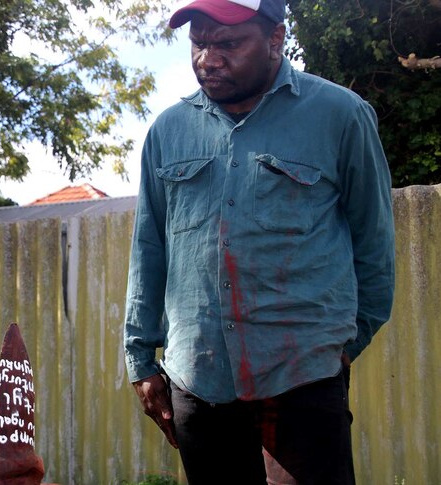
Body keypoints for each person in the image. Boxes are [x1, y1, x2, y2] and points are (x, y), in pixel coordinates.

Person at [122, 0, 395, 483]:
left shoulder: (340, 115)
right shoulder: (169, 131)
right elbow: (149, 248)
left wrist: (344, 345)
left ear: (275, 39)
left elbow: (373, 243)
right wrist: (141, 361)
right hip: (198, 380)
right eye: (199, 43)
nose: (209, 58)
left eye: (227, 43)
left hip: (303, 378)